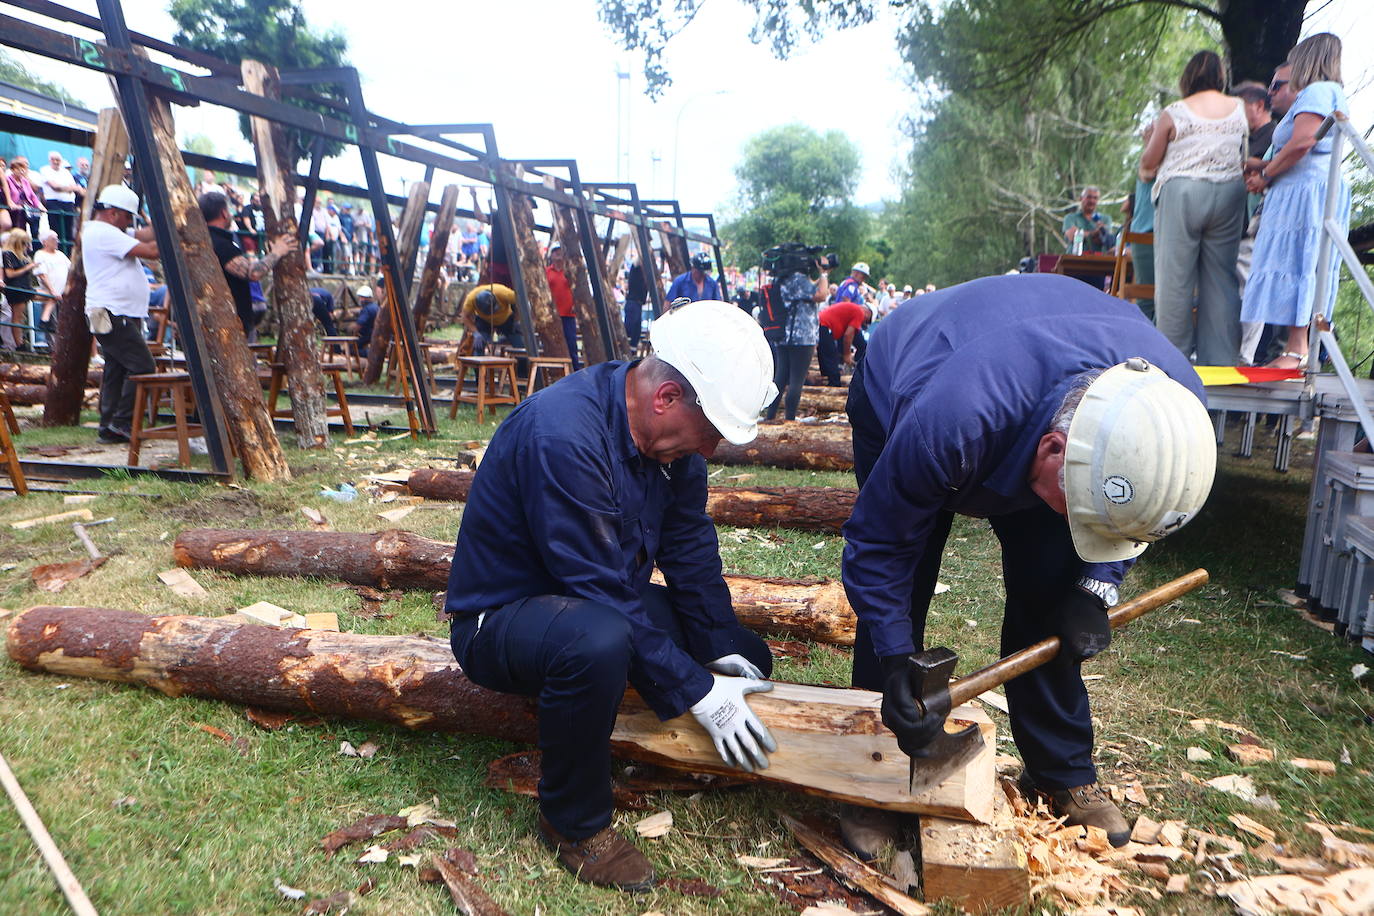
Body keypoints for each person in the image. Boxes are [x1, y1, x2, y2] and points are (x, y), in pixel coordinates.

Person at [836, 274, 1215, 860]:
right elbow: (880, 545)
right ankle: (872, 770)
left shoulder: (1170, 418)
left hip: (1031, 389)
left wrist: (1094, 588)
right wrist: (893, 656)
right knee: (903, 583)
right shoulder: (953, 422)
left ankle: (1061, 770)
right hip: (912, 370)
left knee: (1050, 585)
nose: (1081, 525)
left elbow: (1133, 519)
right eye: (1079, 509)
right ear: (1053, 449)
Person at [443, 300, 779, 891]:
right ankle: (575, 823)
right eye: (709, 435)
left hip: (593, 600)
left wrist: (719, 646)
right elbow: (596, 589)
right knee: (598, 641)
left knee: (740, 650)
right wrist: (698, 691)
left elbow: (690, 550)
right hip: (502, 619)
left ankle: (659, 715)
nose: (708, 452)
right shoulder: (563, 434)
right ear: (667, 397)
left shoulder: (671, 446)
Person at [1240, 34, 1350, 370]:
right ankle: (1296, 348)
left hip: (1306, 194)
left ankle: (1297, 350)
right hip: (1304, 189)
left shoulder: (1317, 90)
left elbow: (1303, 142)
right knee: (1297, 265)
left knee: (1299, 264)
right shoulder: (1325, 92)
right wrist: (1262, 165)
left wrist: (1267, 175)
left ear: (1306, 60)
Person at [1139, 50, 1248, 366]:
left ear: (1187, 77)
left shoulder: (1175, 112)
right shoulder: (1238, 108)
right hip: (1229, 194)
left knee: (1175, 280)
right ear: (1220, 76)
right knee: (1221, 279)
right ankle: (1222, 358)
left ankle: (1173, 360)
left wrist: (1148, 148)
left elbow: (1149, 162)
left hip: (1183, 192)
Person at [83, 185, 159, 444]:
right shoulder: (104, 233)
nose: (129, 223)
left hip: (109, 311)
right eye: (127, 216)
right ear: (113, 213)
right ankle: (122, 421)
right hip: (112, 311)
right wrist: (174, 235)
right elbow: (152, 250)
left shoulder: (104, 230)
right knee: (144, 366)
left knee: (116, 369)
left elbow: (143, 234)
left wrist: (161, 222)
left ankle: (109, 426)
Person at [1239, 65, 1298, 365]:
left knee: (1264, 289)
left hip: (1280, 220)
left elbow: (1290, 156)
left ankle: (1255, 357)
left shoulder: (1276, 133)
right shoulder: (1272, 133)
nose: (1272, 92)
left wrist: (1257, 170)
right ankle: (1259, 356)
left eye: (1277, 86)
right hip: (1262, 221)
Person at [199, 191, 297, 336]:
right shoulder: (220, 243)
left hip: (219, 321)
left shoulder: (204, 239)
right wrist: (277, 252)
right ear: (224, 213)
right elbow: (253, 273)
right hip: (229, 326)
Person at [764, 253, 829, 421]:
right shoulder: (798, 280)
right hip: (802, 337)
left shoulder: (783, 280)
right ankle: (790, 419)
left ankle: (770, 416)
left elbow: (812, 290)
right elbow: (821, 294)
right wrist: (824, 273)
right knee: (796, 381)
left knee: (780, 378)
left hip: (783, 335)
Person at [460, 282, 525, 357]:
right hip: (484, 321)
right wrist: (476, 333)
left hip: (506, 319)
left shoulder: (504, 293)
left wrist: (517, 320)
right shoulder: (470, 300)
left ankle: (522, 367)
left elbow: (522, 303)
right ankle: (479, 367)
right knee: (478, 345)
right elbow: (464, 317)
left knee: (520, 347)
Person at [817, 299, 871, 387]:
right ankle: (833, 384)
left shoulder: (852, 312)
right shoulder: (859, 312)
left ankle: (827, 376)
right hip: (825, 325)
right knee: (830, 354)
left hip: (823, 323)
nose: (863, 322)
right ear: (868, 313)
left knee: (825, 351)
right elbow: (848, 335)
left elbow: (855, 340)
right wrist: (847, 355)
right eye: (867, 320)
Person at [32, 228, 70, 343]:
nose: (57, 241)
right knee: (54, 323)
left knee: (61, 323)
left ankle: (44, 319)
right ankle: (51, 345)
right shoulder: (40, 254)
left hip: (63, 293)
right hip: (51, 292)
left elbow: (71, 269)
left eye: (57, 238)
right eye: (53, 239)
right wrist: (53, 291)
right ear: (45, 242)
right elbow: (42, 275)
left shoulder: (61, 255)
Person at [2, 228, 37, 349]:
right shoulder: (8, 254)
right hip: (16, 288)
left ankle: (45, 318)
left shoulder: (22, 254)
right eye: (24, 243)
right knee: (17, 317)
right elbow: (10, 274)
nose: (26, 246)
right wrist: (28, 268)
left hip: (25, 286)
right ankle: (20, 345)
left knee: (50, 297)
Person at [546, 244, 580, 371]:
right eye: (555, 251)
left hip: (568, 314)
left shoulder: (569, 272)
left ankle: (575, 371)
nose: (558, 254)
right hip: (552, 315)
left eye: (560, 251)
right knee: (552, 344)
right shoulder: (547, 271)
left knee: (571, 345)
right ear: (551, 255)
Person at [36, 152, 78, 252]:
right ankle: (56, 250)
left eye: (58, 160)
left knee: (68, 230)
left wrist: (63, 188)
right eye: (53, 159)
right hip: (53, 201)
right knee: (55, 229)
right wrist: (67, 188)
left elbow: (74, 187)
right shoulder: (45, 170)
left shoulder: (66, 172)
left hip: (68, 202)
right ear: (49, 160)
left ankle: (68, 252)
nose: (55, 162)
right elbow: (54, 187)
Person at [1061, 187, 1115, 254]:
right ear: (1081, 198)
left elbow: (1105, 240)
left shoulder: (1105, 219)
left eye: (1095, 198)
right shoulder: (1070, 218)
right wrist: (1094, 233)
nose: (1092, 201)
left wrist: (1081, 234)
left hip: (1098, 260)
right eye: (1089, 197)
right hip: (1074, 260)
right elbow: (1072, 236)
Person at [6, 157, 45, 240]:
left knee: (32, 226)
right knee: (16, 230)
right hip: (13, 210)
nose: (21, 171)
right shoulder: (7, 180)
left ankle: (28, 248)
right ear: (12, 170)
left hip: (25, 209)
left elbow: (32, 195)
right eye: (18, 169)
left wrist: (39, 206)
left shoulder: (25, 181)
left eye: (23, 169)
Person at [624, 259, 650, 349]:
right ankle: (628, 349)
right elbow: (637, 262)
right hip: (633, 303)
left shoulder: (644, 273)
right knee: (630, 329)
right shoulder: (636, 269)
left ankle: (632, 350)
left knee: (636, 332)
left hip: (637, 304)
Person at [354, 285, 380, 358]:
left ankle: (368, 353)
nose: (360, 300)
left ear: (364, 298)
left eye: (361, 298)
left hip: (367, 335)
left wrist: (354, 334)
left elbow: (359, 325)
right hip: (375, 333)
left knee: (351, 349)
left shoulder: (367, 309)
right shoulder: (376, 307)